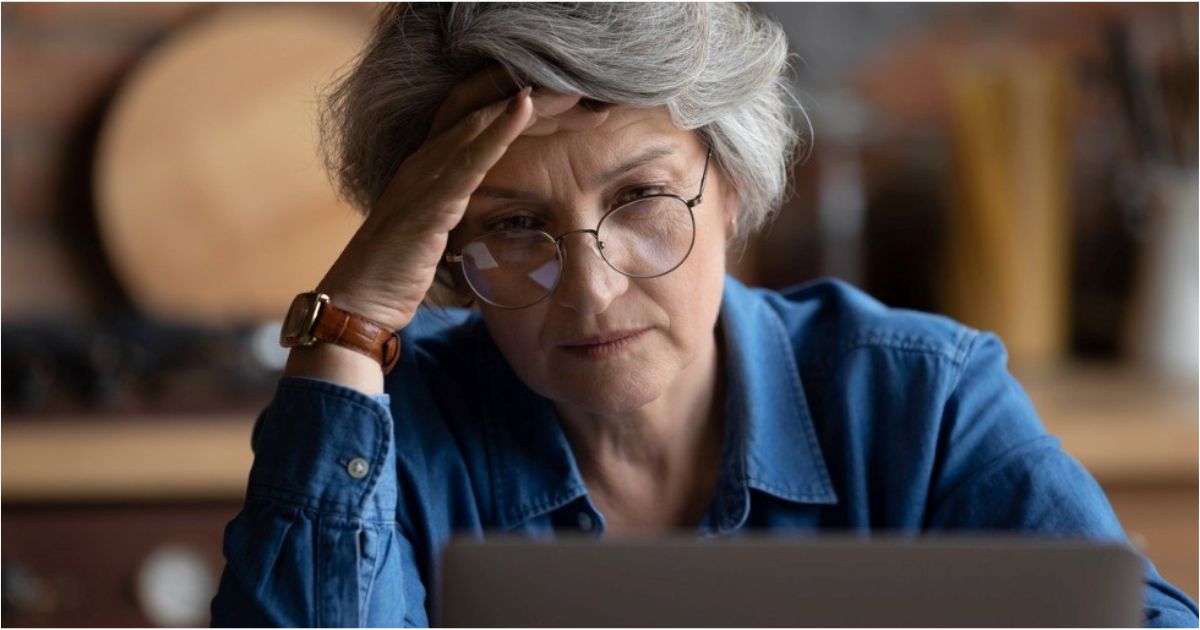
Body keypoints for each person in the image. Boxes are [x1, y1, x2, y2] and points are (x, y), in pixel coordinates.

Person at [210, 3, 1198, 627]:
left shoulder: (921, 398)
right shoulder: (397, 434)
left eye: (640, 200)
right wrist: (354, 319)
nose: (590, 288)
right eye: (514, 225)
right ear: (448, 254)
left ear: (730, 188)